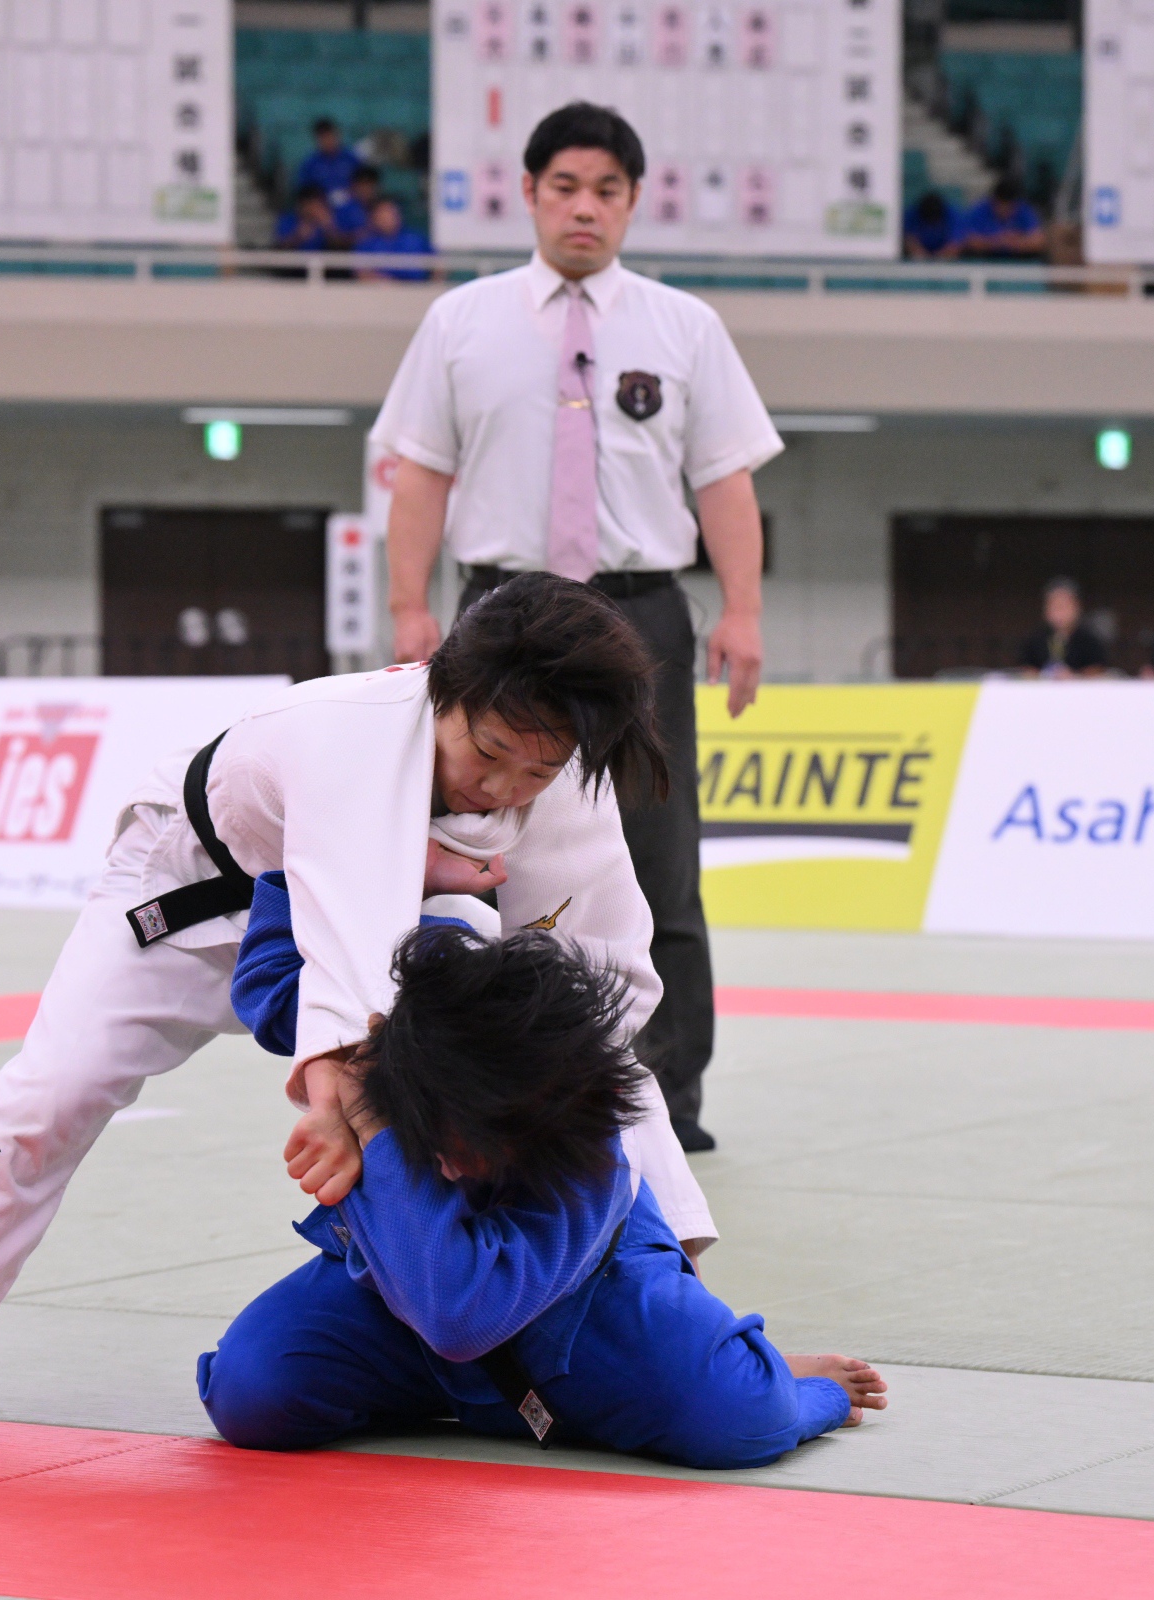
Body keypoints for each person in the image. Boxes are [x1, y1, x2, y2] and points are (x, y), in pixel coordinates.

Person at [0, 574, 717, 1436]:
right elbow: (349, 971)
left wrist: (539, 1094)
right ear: (443, 688)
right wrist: (342, 1112)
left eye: (536, 772)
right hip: (186, 905)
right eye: (487, 753)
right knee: (53, 1091)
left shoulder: (563, 775)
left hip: (396, 913)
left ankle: (692, 1319)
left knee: (588, 1064)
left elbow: (599, 977)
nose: (504, 787)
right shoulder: (352, 738)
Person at [374, 102, 781, 1155]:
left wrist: (742, 610)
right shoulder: (461, 322)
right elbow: (419, 474)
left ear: (634, 201)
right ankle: (481, 1083)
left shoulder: (684, 327)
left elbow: (725, 480)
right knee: (475, 846)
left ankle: (665, 1100)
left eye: (606, 190)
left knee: (659, 856)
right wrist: (410, 606)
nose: (584, 208)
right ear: (530, 194)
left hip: (640, 611)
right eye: (565, 187)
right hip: (499, 613)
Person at [199, 886, 885, 1467]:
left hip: (581, 1317)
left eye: (471, 1148)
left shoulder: (586, 1150)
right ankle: (482, 1398)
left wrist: (365, 1116)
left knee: (742, 1420)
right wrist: (337, 1073)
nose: (452, 1165)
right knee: (253, 1394)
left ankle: (777, 1372)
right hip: (407, 1299)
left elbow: (460, 1315)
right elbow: (280, 938)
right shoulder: (402, 1013)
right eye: (435, 1138)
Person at [1017, 578, 1108, 676]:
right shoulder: (1034, 639)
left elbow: (1097, 670)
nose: (1059, 613)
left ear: (1076, 607)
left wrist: (1074, 676)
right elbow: (1026, 668)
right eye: (1055, 607)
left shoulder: (1090, 640)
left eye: (1064, 606)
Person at [959, 177, 1044, 259]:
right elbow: (967, 240)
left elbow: (1038, 241)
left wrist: (1017, 242)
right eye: (1001, 206)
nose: (1004, 211)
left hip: (1017, 260)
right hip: (985, 260)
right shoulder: (980, 209)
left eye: (1009, 207)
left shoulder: (1024, 209)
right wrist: (997, 241)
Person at [354, 197, 433, 281]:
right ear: (374, 217)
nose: (386, 218)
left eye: (390, 213)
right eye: (382, 214)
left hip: (417, 287)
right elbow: (361, 272)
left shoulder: (416, 239)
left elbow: (438, 264)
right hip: (381, 288)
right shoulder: (366, 243)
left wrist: (432, 286)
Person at [296, 117, 361, 210]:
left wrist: (348, 194)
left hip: (352, 206)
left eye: (330, 136)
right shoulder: (309, 165)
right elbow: (304, 194)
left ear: (337, 135)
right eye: (323, 137)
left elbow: (363, 185)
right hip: (322, 208)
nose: (327, 141)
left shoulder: (351, 159)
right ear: (317, 139)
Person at [274, 182, 337, 251]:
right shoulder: (287, 220)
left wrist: (329, 229)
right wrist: (298, 236)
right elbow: (278, 249)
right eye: (309, 205)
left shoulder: (330, 218)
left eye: (316, 205)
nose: (312, 209)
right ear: (300, 205)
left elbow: (342, 247)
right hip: (296, 257)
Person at [329, 165, 384, 242]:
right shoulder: (344, 210)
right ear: (353, 186)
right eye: (362, 185)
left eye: (370, 185)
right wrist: (356, 237)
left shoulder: (385, 208)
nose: (366, 189)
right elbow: (335, 239)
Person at [902, 190, 958, 260]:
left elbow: (956, 243)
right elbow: (908, 238)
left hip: (943, 257)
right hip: (918, 257)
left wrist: (940, 257)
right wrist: (920, 254)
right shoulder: (911, 215)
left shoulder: (952, 215)